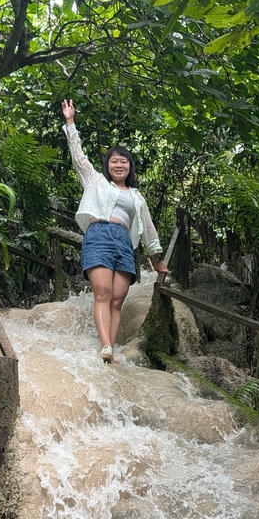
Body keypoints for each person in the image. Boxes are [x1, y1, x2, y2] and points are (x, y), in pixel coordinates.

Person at [61, 98, 169, 362]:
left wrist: (157, 260)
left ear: (129, 167)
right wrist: (70, 122)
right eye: (114, 161)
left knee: (117, 300)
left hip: (123, 242)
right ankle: (107, 347)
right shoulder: (95, 180)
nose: (119, 165)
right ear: (107, 165)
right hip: (98, 235)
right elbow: (78, 155)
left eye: (124, 162)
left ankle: (110, 347)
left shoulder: (136, 196)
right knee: (103, 293)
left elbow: (148, 228)